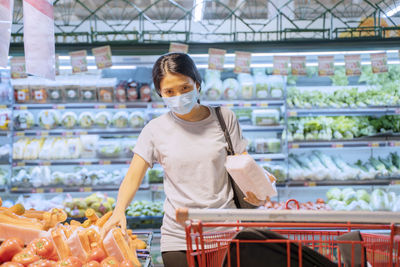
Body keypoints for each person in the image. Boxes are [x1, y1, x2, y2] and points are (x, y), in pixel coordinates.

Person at [102, 53, 265, 267]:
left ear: (197, 84)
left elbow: (242, 163)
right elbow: (134, 175)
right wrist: (119, 209)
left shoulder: (224, 118)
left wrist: (257, 191)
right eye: (169, 91)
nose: (178, 95)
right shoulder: (154, 130)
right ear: (160, 93)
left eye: (185, 88)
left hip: (224, 232)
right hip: (179, 237)